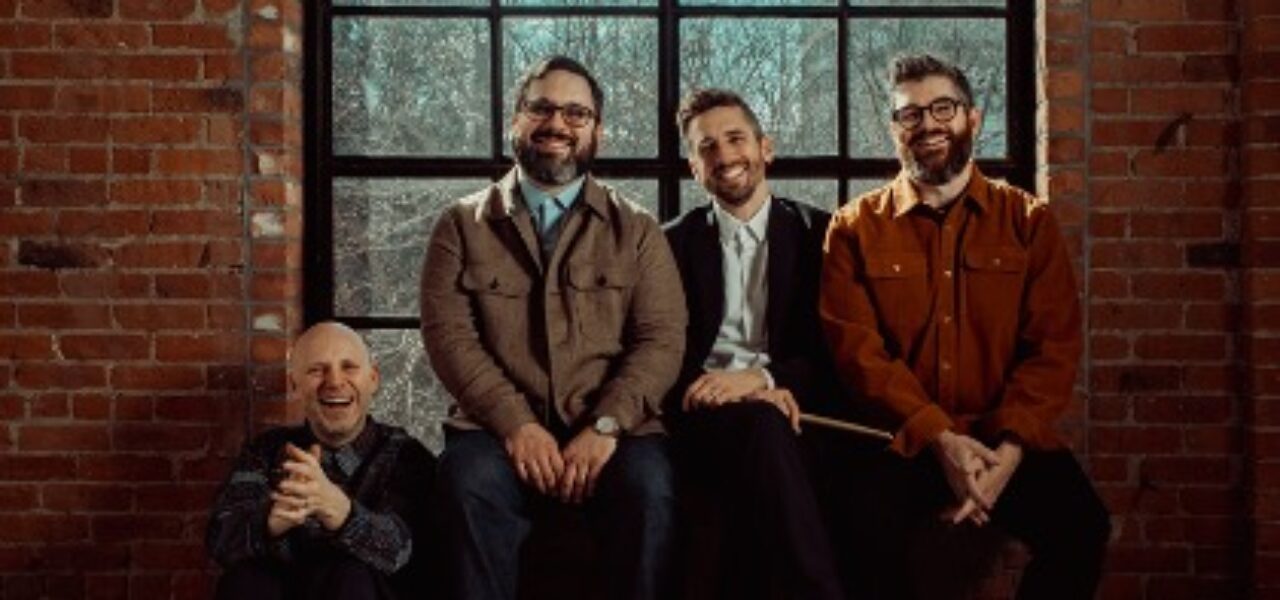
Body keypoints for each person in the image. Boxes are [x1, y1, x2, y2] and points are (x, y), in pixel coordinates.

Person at [819, 53, 1111, 599]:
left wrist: (1009, 455)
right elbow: (859, 354)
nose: (927, 124)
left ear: (972, 119)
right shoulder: (852, 229)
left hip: (1005, 437)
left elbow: (1053, 345)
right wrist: (939, 439)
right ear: (894, 130)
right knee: (855, 533)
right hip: (903, 440)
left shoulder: (1028, 221)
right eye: (910, 115)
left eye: (943, 108)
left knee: (1083, 527)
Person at [419, 55, 686, 600]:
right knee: (465, 483)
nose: (557, 124)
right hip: (494, 432)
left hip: (615, 432)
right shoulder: (458, 225)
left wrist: (607, 426)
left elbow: (661, 340)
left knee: (650, 491)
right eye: (541, 108)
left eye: (575, 113)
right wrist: (516, 424)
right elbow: (450, 339)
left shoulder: (636, 229)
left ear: (597, 131)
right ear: (514, 121)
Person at [663, 88, 843, 600]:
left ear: (767, 147)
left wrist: (763, 381)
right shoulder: (668, 245)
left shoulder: (821, 236)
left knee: (765, 453)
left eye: (736, 138)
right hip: (703, 419)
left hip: (801, 418)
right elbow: (655, 350)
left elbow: (831, 351)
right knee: (761, 434)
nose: (723, 156)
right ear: (694, 168)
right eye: (706, 147)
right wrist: (727, 390)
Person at [206, 322, 437, 600]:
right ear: (295, 383)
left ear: (373, 378)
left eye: (349, 367)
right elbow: (219, 540)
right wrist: (269, 522)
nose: (335, 382)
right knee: (246, 580)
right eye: (317, 370)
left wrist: (341, 512)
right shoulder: (265, 450)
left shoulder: (407, 455)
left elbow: (404, 553)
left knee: (350, 575)